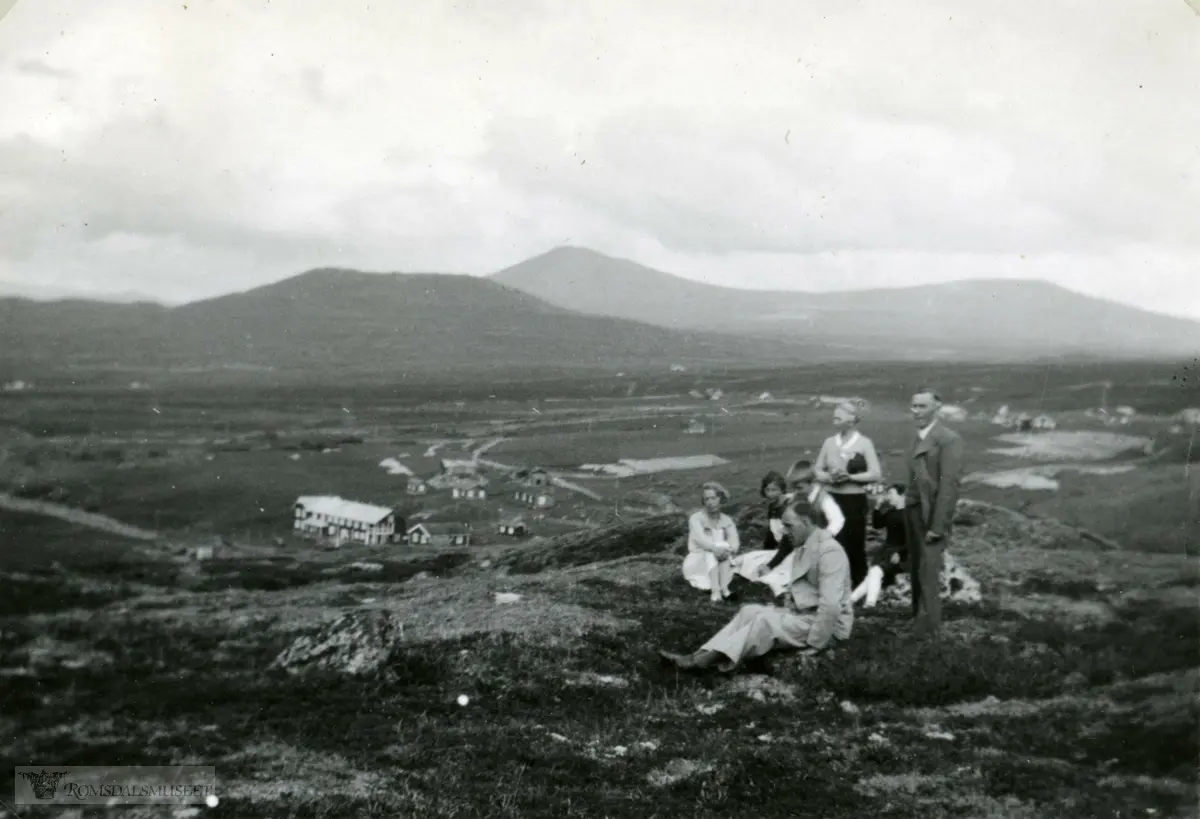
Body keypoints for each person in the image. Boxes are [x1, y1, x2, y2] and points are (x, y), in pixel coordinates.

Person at [659, 498, 853, 671]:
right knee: (749, 611)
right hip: (805, 615)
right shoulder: (806, 544)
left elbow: (831, 605)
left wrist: (817, 644)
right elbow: (801, 589)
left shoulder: (830, 553)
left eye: (789, 526)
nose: (785, 531)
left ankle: (703, 662)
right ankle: (700, 654)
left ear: (807, 522)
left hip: (828, 627)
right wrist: (787, 610)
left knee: (764, 622)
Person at [904, 387, 965, 636]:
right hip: (914, 513)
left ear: (937, 408)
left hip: (932, 517)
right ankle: (917, 620)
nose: (916, 411)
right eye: (914, 406)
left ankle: (929, 627)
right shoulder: (919, 436)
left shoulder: (949, 439)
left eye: (922, 406)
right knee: (917, 567)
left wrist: (938, 526)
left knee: (929, 571)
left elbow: (949, 487)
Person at [813, 399, 882, 591]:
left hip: (854, 501)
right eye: (835, 413)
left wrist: (850, 477)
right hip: (831, 499)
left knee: (854, 543)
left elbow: (875, 473)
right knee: (832, 542)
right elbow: (817, 470)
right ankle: (832, 585)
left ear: (852, 419)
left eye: (840, 414)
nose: (835, 417)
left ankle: (858, 586)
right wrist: (830, 478)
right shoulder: (829, 442)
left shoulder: (864, 443)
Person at [731, 471, 795, 595]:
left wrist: (769, 564)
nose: (771, 494)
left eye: (774, 490)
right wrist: (764, 553)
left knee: (772, 574)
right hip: (780, 549)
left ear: (782, 489)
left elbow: (788, 543)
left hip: (791, 551)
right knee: (748, 560)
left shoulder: (788, 506)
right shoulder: (772, 507)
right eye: (768, 490)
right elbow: (771, 535)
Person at [851, 483, 909, 607]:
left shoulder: (909, 515)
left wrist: (900, 553)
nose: (889, 497)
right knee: (873, 574)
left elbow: (913, 539)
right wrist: (877, 506)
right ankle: (850, 601)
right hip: (888, 550)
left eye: (891, 494)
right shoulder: (892, 512)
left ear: (901, 496)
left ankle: (869, 603)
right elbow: (877, 524)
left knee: (875, 572)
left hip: (902, 553)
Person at [681, 481, 740, 603]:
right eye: (706, 499)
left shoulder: (726, 520)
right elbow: (701, 540)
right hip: (698, 562)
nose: (710, 502)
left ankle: (723, 588)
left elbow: (734, 542)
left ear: (721, 498)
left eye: (713, 498)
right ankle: (716, 590)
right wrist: (716, 549)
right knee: (716, 546)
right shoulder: (696, 518)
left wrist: (729, 549)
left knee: (722, 545)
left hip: (721, 562)